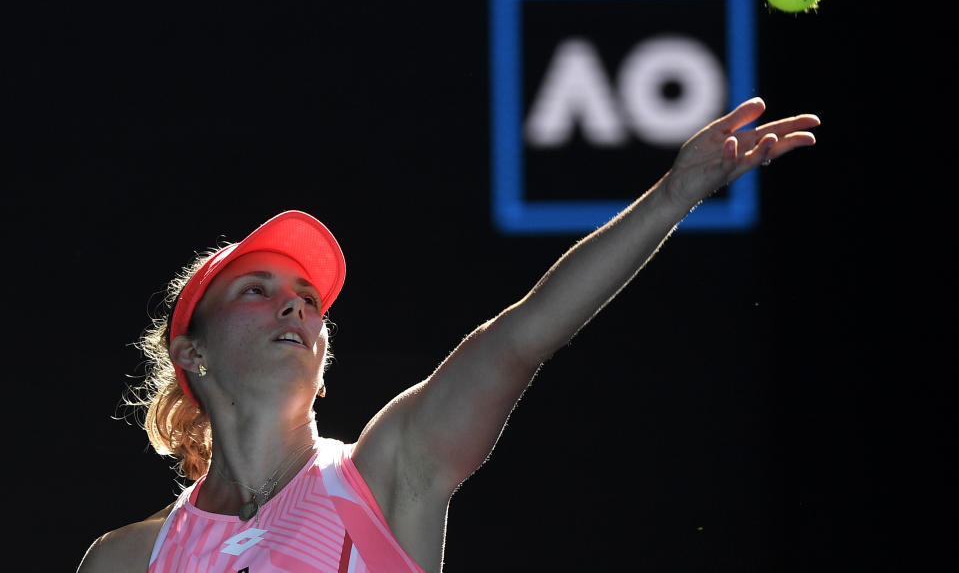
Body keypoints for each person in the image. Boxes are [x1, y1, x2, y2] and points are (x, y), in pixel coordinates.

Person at [76, 97, 818, 573]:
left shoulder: (388, 471)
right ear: (189, 353)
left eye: (307, 296)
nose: (294, 306)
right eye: (256, 289)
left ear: (324, 359)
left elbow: (518, 338)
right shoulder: (125, 560)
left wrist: (672, 194)